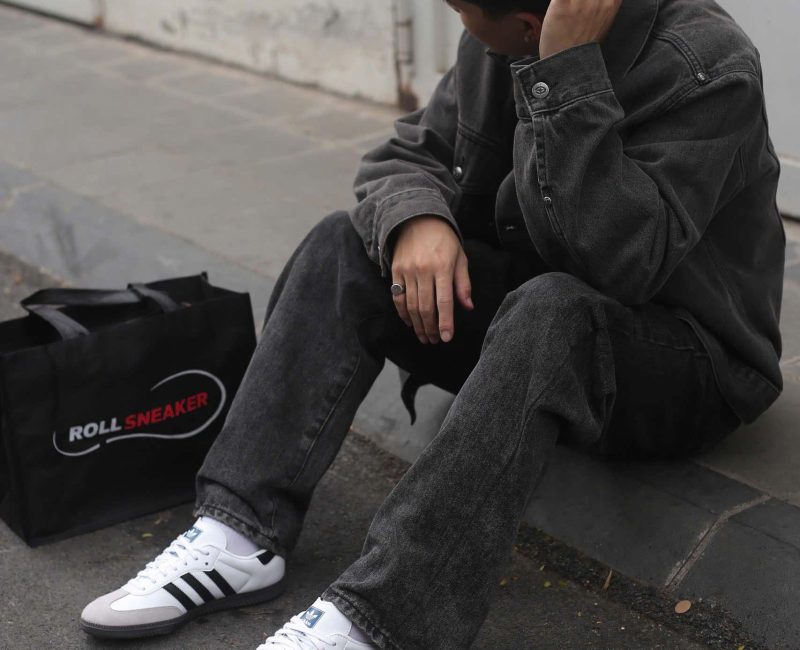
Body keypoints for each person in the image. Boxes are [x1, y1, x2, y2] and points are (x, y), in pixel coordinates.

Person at [79, 0, 785, 647]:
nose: (457, 26)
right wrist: (417, 218)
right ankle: (239, 534)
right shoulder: (496, 44)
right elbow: (405, 154)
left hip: (684, 361)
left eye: (463, 13)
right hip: (539, 314)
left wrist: (565, 78)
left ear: (530, 27)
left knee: (553, 310)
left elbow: (621, 264)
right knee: (344, 246)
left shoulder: (705, 64)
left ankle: (383, 615)